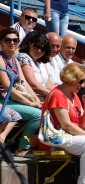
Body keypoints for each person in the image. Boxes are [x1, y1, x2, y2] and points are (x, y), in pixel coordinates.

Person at [38, 63, 85, 184]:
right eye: (81, 81)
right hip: (54, 137)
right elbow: (66, 126)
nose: (83, 85)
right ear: (72, 79)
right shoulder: (58, 94)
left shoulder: (74, 95)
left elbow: (84, 124)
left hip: (68, 135)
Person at [0, 28, 42, 157]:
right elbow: (7, 87)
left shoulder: (15, 60)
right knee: (37, 115)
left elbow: (24, 83)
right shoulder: (0, 59)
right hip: (3, 100)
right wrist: (28, 103)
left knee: (42, 110)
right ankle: (22, 148)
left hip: (13, 100)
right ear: (1, 42)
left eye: (15, 40)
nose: (12, 42)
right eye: (8, 40)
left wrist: (36, 100)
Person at [17, 31, 55, 99]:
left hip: (44, 97)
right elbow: (33, 85)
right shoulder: (23, 57)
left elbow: (48, 83)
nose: (39, 51)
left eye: (43, 49)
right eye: (37, 46)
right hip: (28, 98)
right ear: (30, 44)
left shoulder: (41, 63)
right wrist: (54, 95)